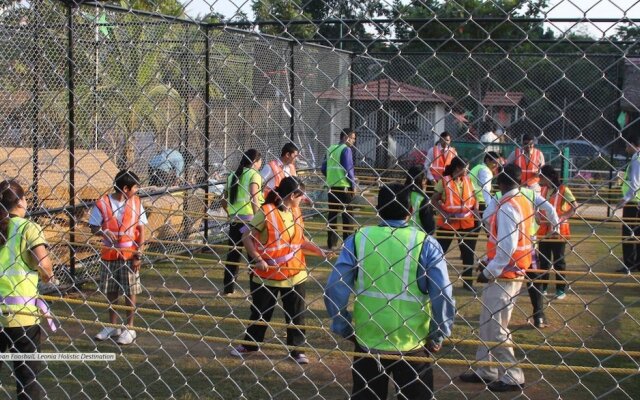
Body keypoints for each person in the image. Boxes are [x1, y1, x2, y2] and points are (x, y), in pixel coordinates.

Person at [325, 183, 455, 400]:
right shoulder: (425, 244)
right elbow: (442, 293)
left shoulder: (359, 239)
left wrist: (343, 325)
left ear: (378, 209)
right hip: (412, 342)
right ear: (410, 211)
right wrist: (438, 333)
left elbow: (334, 287)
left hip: (369, 340)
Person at [230, 177, 329, 364]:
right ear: (292, 195)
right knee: (260, 312)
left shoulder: (296, 212)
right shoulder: (267, 212)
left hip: (294, 272)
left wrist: (318, 250)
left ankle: (297, 349)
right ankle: (251, 344)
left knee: (296, 313)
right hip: (267, 274)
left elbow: (298, 239)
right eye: (301, 196)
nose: (303, 200)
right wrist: (257, 259)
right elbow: (246, 236)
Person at [460, 164, 534, 392]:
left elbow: (507, 248)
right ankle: (486, 369)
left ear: (500, 183)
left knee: (496, 326)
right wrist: (489, 264)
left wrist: (487, 272)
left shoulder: (508, 206)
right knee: (486, 322)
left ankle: (512, 375)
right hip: (507, 271)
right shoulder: (521, 200)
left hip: (505, 274)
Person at [0, 180, 54, 400]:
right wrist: (43, 271)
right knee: (26, 378)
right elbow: (44, 266)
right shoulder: (27, 227)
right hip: (22, 316)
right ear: (21, 201)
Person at [488, 182, 559, 328]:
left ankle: (499, 317)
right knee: (533, 280)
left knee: (506, 284)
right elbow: (550, 209)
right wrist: (555, 227)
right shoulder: (530, 194)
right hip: (527, 246)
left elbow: (485, 216)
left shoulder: (500, 195)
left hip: (506, 246)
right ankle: (538, 315)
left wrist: (494, 231)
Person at [90, 170, 147, 345]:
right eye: (135, 187)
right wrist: (103, 231)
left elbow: (142, 229)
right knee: (111, 289)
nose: (137, 190)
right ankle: (112, 326)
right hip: (109, 254)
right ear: (125, 188)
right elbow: (93, 226)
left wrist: (139, 253)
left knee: (130, 291)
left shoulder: (136, 203)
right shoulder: (102, 203)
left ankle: (129, 327)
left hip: (130, 255)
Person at [432, 156, 479, 291]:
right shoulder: (444, 181)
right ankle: (433, 278)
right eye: (466, 168)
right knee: (440, 251)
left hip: (466, 221)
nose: (467, 171)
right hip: (448, 223)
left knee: (468, 253)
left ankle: (468, 284)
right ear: (458, 168)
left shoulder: (468, 180)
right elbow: (434, 200)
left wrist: (476, 211)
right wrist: (445, 214)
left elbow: (474, 198)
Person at [221, 149, 264, 296]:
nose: (261, 164)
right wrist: (258, 218)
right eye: (260, 161)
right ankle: (256, 288)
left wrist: (230, 213)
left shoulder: (232, 175)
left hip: (235, 220)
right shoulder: (254, 175)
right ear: (254, 162)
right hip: (250, 220)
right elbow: (254, 197)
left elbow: (223, 199)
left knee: (233, 254)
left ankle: (228, 288)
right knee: (253, 254)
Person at [538, 165, 577, 299]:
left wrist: (562, 218)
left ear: (549, 177)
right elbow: (538, 207)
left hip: (559, 231)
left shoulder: (563, 190)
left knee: (559, 261)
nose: (539, 179)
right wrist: (538, 217)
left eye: (541, 176)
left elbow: (574, 207)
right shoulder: (542, 190)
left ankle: (560, 289)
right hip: (544, 230)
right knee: (543, 260)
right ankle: (543, 287)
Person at [321, 128, 357, 250]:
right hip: (344, 187)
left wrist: (331, 177)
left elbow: (323, 167)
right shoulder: (346, 150)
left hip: (332, 187)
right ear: (345, 137)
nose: (353, 141)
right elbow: (349, 169)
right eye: (352, 138)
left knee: (332, 215)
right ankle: (348, 244)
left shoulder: (331, 148)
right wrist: (353, 185)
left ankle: (331, 243)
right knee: (347, 216)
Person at [616, 132, 640, 273]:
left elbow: (635, 183)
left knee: (629, 234)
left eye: (627, 145)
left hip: (634, 202)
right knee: (637, 234)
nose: (626, 148)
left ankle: (630, 264)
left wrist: (625, 198)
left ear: (633, 145)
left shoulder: (636, 158)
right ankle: (637, 263)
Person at [404, 166, 436, 235]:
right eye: (425, 179)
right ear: (423, 180)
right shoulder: (423, 199)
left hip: (398, 234)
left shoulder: (399, 194)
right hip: (415, 236)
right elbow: (430, 228)